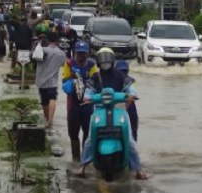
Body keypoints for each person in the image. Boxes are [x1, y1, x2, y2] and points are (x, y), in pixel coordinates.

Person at [76, 48, 149, 180]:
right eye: (102, 59)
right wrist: (87, 97)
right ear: (98, 61)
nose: (105, 62)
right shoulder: (94, 78)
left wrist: (131, 94)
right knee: (89, 140)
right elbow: (88, 92)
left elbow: (130, 89)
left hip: (119, 109)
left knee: (131, 141)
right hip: (99, 110)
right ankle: (82, 167)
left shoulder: (120, 76)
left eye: (107, 59)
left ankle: (138, 170)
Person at [61, 41, 98, 163]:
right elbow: (64, 81)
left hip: (87, 104)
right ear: (75, 53)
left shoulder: (92, 65)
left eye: (84, 53)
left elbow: (95, 80)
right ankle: (76, 159)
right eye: (79, 53)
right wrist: (72, 78)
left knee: (87, 133)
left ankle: (86, 159)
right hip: (73, 104)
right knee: (73, 133)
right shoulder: (69, 63)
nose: (82, 56)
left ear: (87, 54)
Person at [35, 32, 67, 130]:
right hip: (53, 81)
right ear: (57, 41)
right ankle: (50, 119)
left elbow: (34, 57)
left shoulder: (42, 50)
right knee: (52, 98)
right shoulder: (61, 53)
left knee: (44, 101)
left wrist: (38, 43)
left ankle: (46, 117)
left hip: (41, 81)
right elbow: (62, 65)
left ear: (47, 40)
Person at [115, 60, 139, 141]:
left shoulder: (132, 81)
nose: (123, 74)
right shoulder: (113, 82)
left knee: (133, 134)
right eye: (121, 71)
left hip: (129, 109)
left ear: (128, 71)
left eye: (124, 71)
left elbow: (133, 95)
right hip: (116, 109)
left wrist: (125, 109)